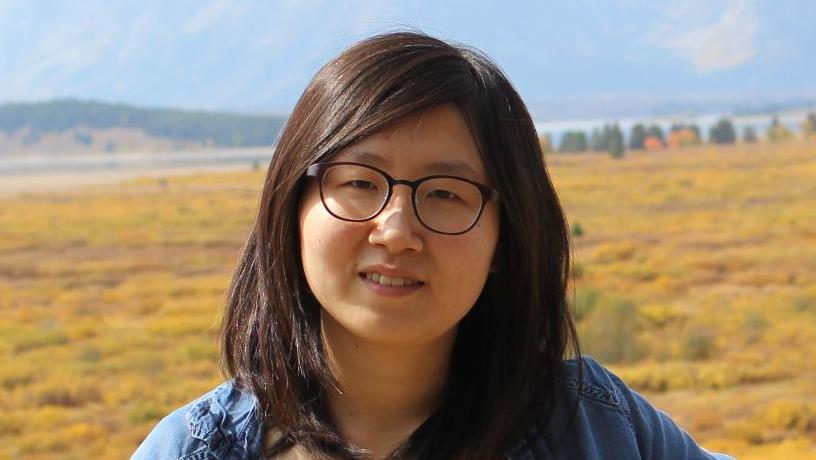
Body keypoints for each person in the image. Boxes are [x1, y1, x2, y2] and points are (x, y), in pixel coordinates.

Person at [131, 32, 734, 460]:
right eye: (360, 183)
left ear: (509, 234)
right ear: (291, 206)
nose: (395, 231)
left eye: (446, 194)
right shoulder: (196, 450)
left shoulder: (595, 429)